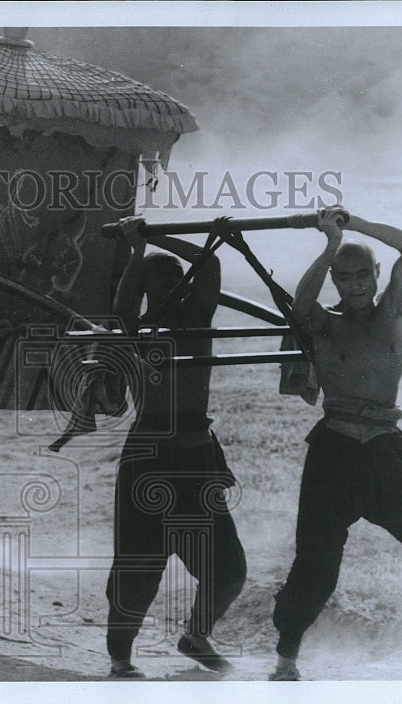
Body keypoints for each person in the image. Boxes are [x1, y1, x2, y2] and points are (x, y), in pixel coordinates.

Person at [269, 205, 402, 681]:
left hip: (386, 452)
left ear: (376, 273)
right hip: (335, 453)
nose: (355, 284)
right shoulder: (325, 324)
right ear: (335, 281)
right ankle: (286, 660)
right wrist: (329, 245)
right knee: (317, 568)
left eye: (362, 275)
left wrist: (355, 225)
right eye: (344, 277)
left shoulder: (394, 312)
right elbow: (300, 308)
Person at [104, 216, 247, 679]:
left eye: (174, 288)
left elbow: (209, 268)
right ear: (148, 295)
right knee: (136, 575)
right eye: (157, 289)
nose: (169, 297)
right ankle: (121, 660)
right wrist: (138, 252)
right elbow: (123, 308)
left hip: (196, 455)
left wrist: (155, 238)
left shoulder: (198, 321)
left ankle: (196, 636)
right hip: (148, 458)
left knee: (228, 570)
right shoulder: (135, 333)